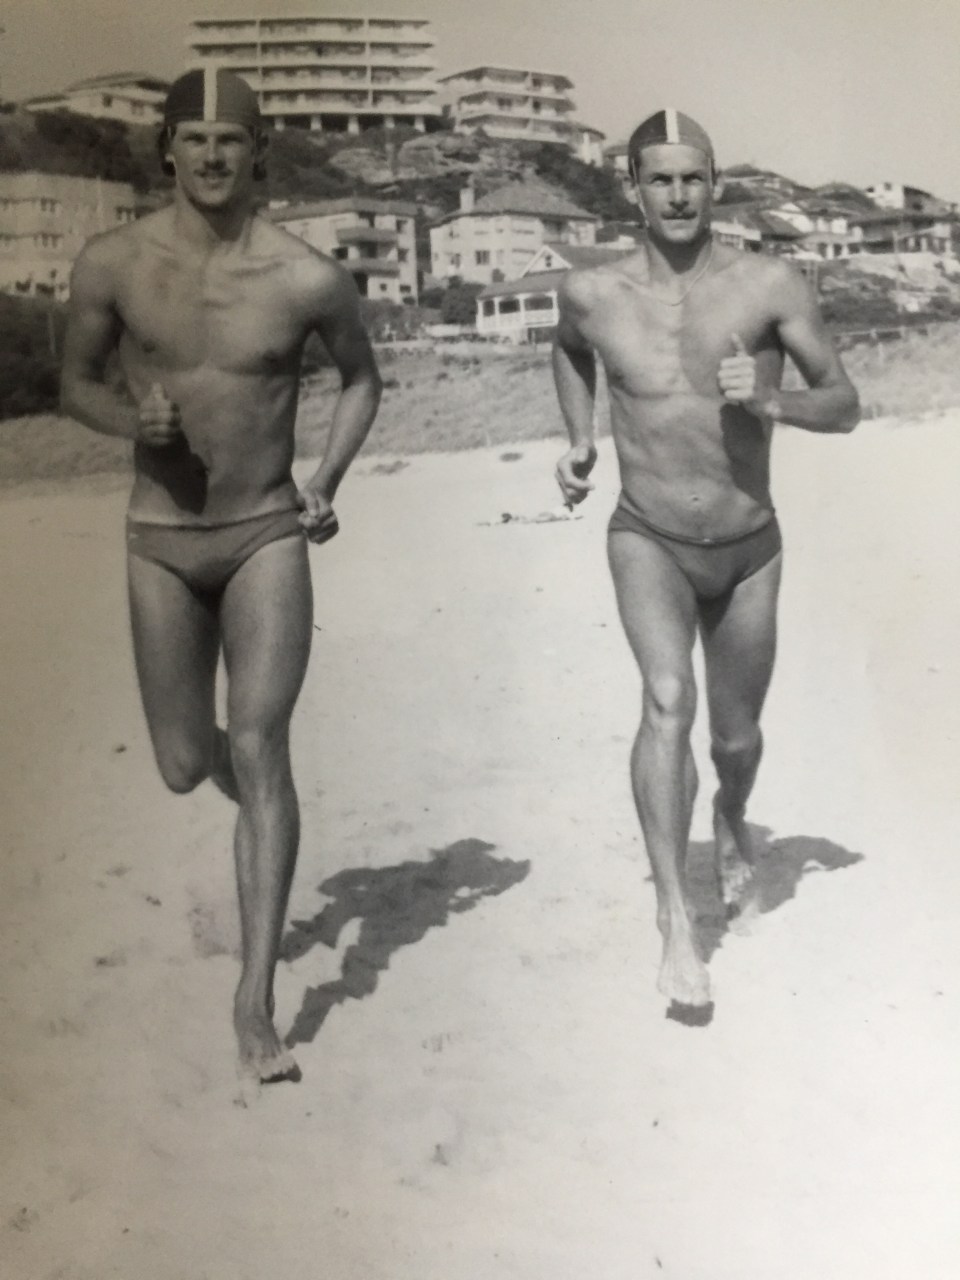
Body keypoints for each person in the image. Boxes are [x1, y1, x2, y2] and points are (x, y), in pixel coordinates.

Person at [60, 69, 383, 1081]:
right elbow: (74, 381)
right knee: (185, 762)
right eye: (192, 139)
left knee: (260, 739)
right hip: (159, 538)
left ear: (257, 154)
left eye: (229, 143)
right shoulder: (112, 262)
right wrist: (129, 419)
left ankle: (255, 1003)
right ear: (166, 148)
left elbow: (363, 377)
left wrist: (325, 478)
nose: (210, 157)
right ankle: (262, 815)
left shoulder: (305, 277)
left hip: (264, 536)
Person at [552, 108, 859, 1012]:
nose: (677, 193)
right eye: (660, 178)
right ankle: (676, 927)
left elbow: (843, 402)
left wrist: (772, 399)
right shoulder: (592, 293)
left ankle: (728, 816)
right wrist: (579, 441)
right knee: (665, 701)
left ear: (713, 183)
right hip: (645, 533)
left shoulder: (770, 283)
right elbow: (568, 355)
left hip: (748, 549)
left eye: (693, 177)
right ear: (632, 188)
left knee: (734, 739)